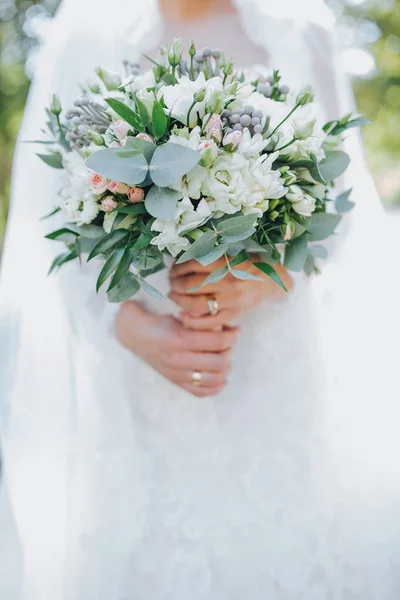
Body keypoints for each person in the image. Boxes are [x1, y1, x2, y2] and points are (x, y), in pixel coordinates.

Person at [0, 0, 399, 598]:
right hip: (142, 390)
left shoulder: (305, 32)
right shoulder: (86, 33)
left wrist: (271, 278)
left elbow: (345, 216)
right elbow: (44, 226)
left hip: (272, 379)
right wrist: (125, 327)